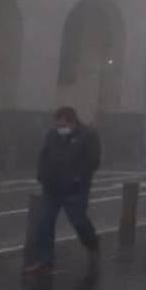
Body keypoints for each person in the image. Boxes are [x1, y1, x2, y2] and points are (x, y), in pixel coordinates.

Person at [25, 107, 101, 274]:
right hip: (52, 187)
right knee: (44, 222)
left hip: (75, 188)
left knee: (79, 220)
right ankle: (44, 261)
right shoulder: (52, 135)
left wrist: (78, 177)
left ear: (72, 122)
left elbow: (93, 160)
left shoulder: (87, 135)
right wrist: (42, 175)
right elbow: (43, 155)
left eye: (62, 124)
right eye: (57, 125)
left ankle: (92, 244)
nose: (59, 128)